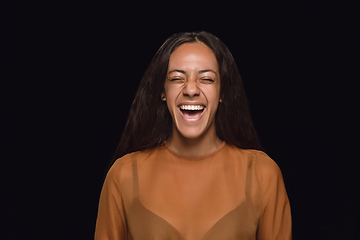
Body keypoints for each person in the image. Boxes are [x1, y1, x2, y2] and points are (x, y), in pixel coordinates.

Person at [95, 31, 292, 240]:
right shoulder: (123, 175)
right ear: (162, 91)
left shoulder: (263, 175)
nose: (190, 89)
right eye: (177, 78)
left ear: (222, 91)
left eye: (206, 79)